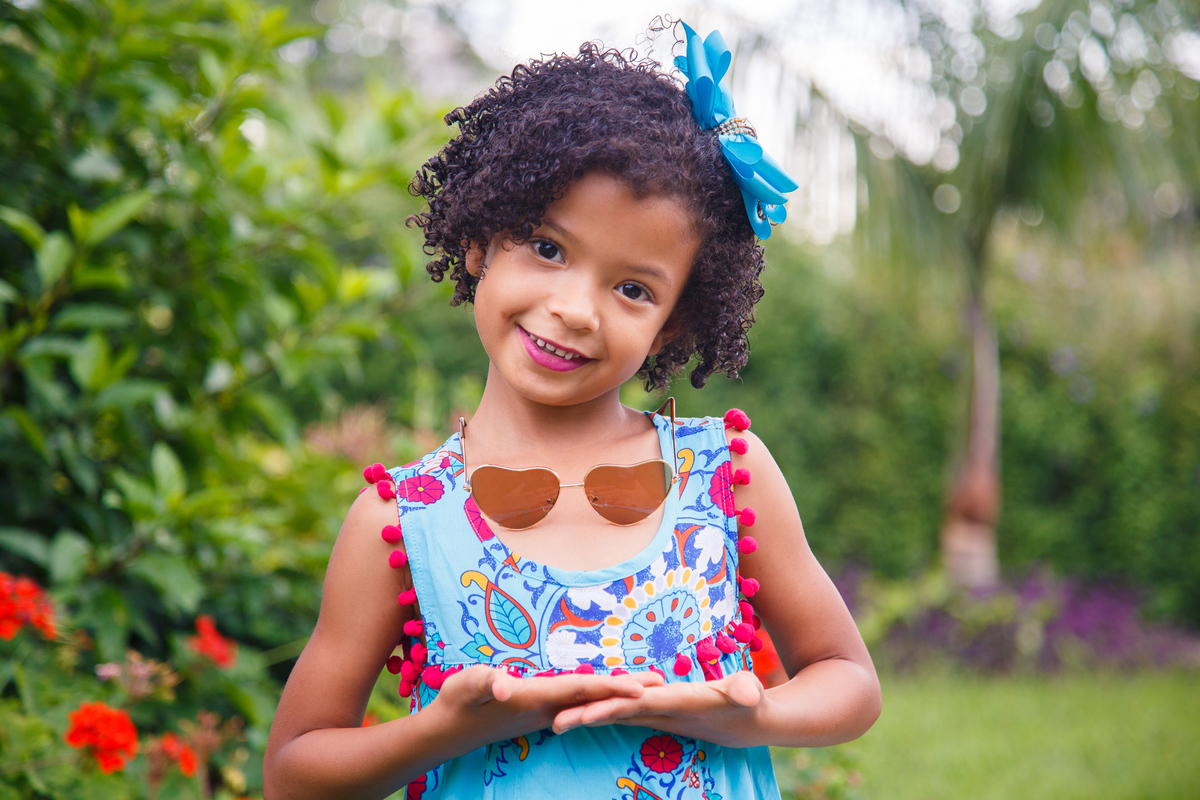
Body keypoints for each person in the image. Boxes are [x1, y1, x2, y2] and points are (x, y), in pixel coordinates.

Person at [264, 22, 880, 800]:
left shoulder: (725, 475)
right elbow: (292, 773)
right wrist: (443, 731)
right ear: (482, 241)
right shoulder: (400, 520)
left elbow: (849, 680)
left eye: (632, 289)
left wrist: (748, 716)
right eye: (548, 248)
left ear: (676, 322)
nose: (575, 310)